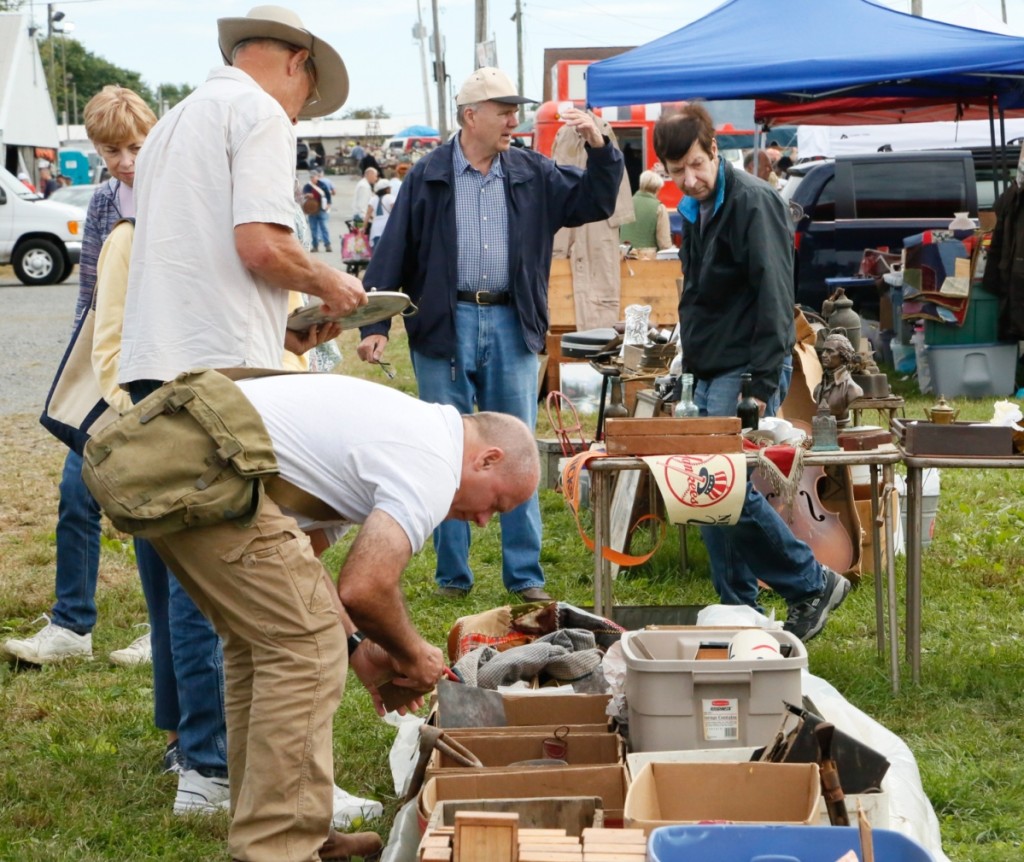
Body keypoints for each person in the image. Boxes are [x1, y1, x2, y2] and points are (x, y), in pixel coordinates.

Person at [115, 5, 373, 822]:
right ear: (294, 64)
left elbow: (205, 260)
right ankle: (219, 769)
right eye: (308, 97)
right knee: (231, 587)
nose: (300, 113)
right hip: (219, 376)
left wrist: (291, 316)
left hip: (159, 365)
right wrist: (333, 283)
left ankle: (201, 757)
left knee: (181, 576)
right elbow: (259, 245)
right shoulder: (258, 112)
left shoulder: (174, 122)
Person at [144, 374, 540, 862]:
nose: (483, 522)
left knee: (269, 645)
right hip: (205, 469)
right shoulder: (434, 462)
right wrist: (412, 654)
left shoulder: (406, 435)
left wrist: (357, 648)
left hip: (183, 459)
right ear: (488, 459)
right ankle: (279, 849)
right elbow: (364, 586)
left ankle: (290, 830)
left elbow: (301, 560)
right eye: (496, 505)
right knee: (303, 653)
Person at [357, 66, 624, 602]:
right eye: (504, 111)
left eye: (515, 110)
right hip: (443, 324)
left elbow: (596, 201)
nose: (514, 120)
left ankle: (525, 577)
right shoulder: (428, 174)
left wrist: (602, 150)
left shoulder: (532, 171)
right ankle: (452, 576)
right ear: (469, 116)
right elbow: (394, 252)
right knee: (442, 450)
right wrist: (376, 324)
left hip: (511, 321)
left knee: (517, 445)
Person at [652, 104, 851, 641]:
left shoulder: (753, 202)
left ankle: (811, 583)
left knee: (717, 485)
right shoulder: (696, 211)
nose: (689, 179)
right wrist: (684, 364)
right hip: (710, 367)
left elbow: (774, 298)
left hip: (747, 367)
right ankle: (742, 614)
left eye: (696, 164)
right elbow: (700, 298)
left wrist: (762, 385)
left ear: (714, 149)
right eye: (677, 172)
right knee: (704, 494)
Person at [3, 86, 157, 669]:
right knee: (76, 491)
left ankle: (162, 629)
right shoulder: (101, 202)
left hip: (164, 367)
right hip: (107, 365)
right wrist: (81, 365)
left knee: (153, 500)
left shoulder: (180, 194)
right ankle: (72, 624)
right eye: (112, 150)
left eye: (135, 147)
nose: (125, 162)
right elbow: (89, 294)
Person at [813, 331, 864, 427]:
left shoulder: (852, 390)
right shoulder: (818, 389)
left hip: (841, 428)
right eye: (824, 350)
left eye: (830, 351)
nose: (823, 355)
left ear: (843, 356)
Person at [619, 169, 673, 252]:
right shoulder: (659, 208)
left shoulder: (626, 203)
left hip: (624, 256)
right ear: (657, 189)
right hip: (647, 259)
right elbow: (664, 244)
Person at [302, 166, 333, 252]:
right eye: (311, 177)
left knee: (324, 228)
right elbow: (303, 195)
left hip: (322, 209)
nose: (312, 178)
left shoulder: (322, 185)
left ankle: (327, 245)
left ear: (317, 177)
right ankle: (315, 246)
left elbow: (328, 195)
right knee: (313, 229)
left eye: (314, 176)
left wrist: (329, 204)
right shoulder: (307, 186)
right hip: (312, 210)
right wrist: (307, 195)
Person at [365, 179, 393, 251]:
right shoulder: (390, 197)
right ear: (386, 189)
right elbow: (396, 211)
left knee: (376, 252)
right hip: (388, 228)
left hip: (376, 229)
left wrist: (364, 227)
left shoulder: (373, 199)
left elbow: (368, 214)